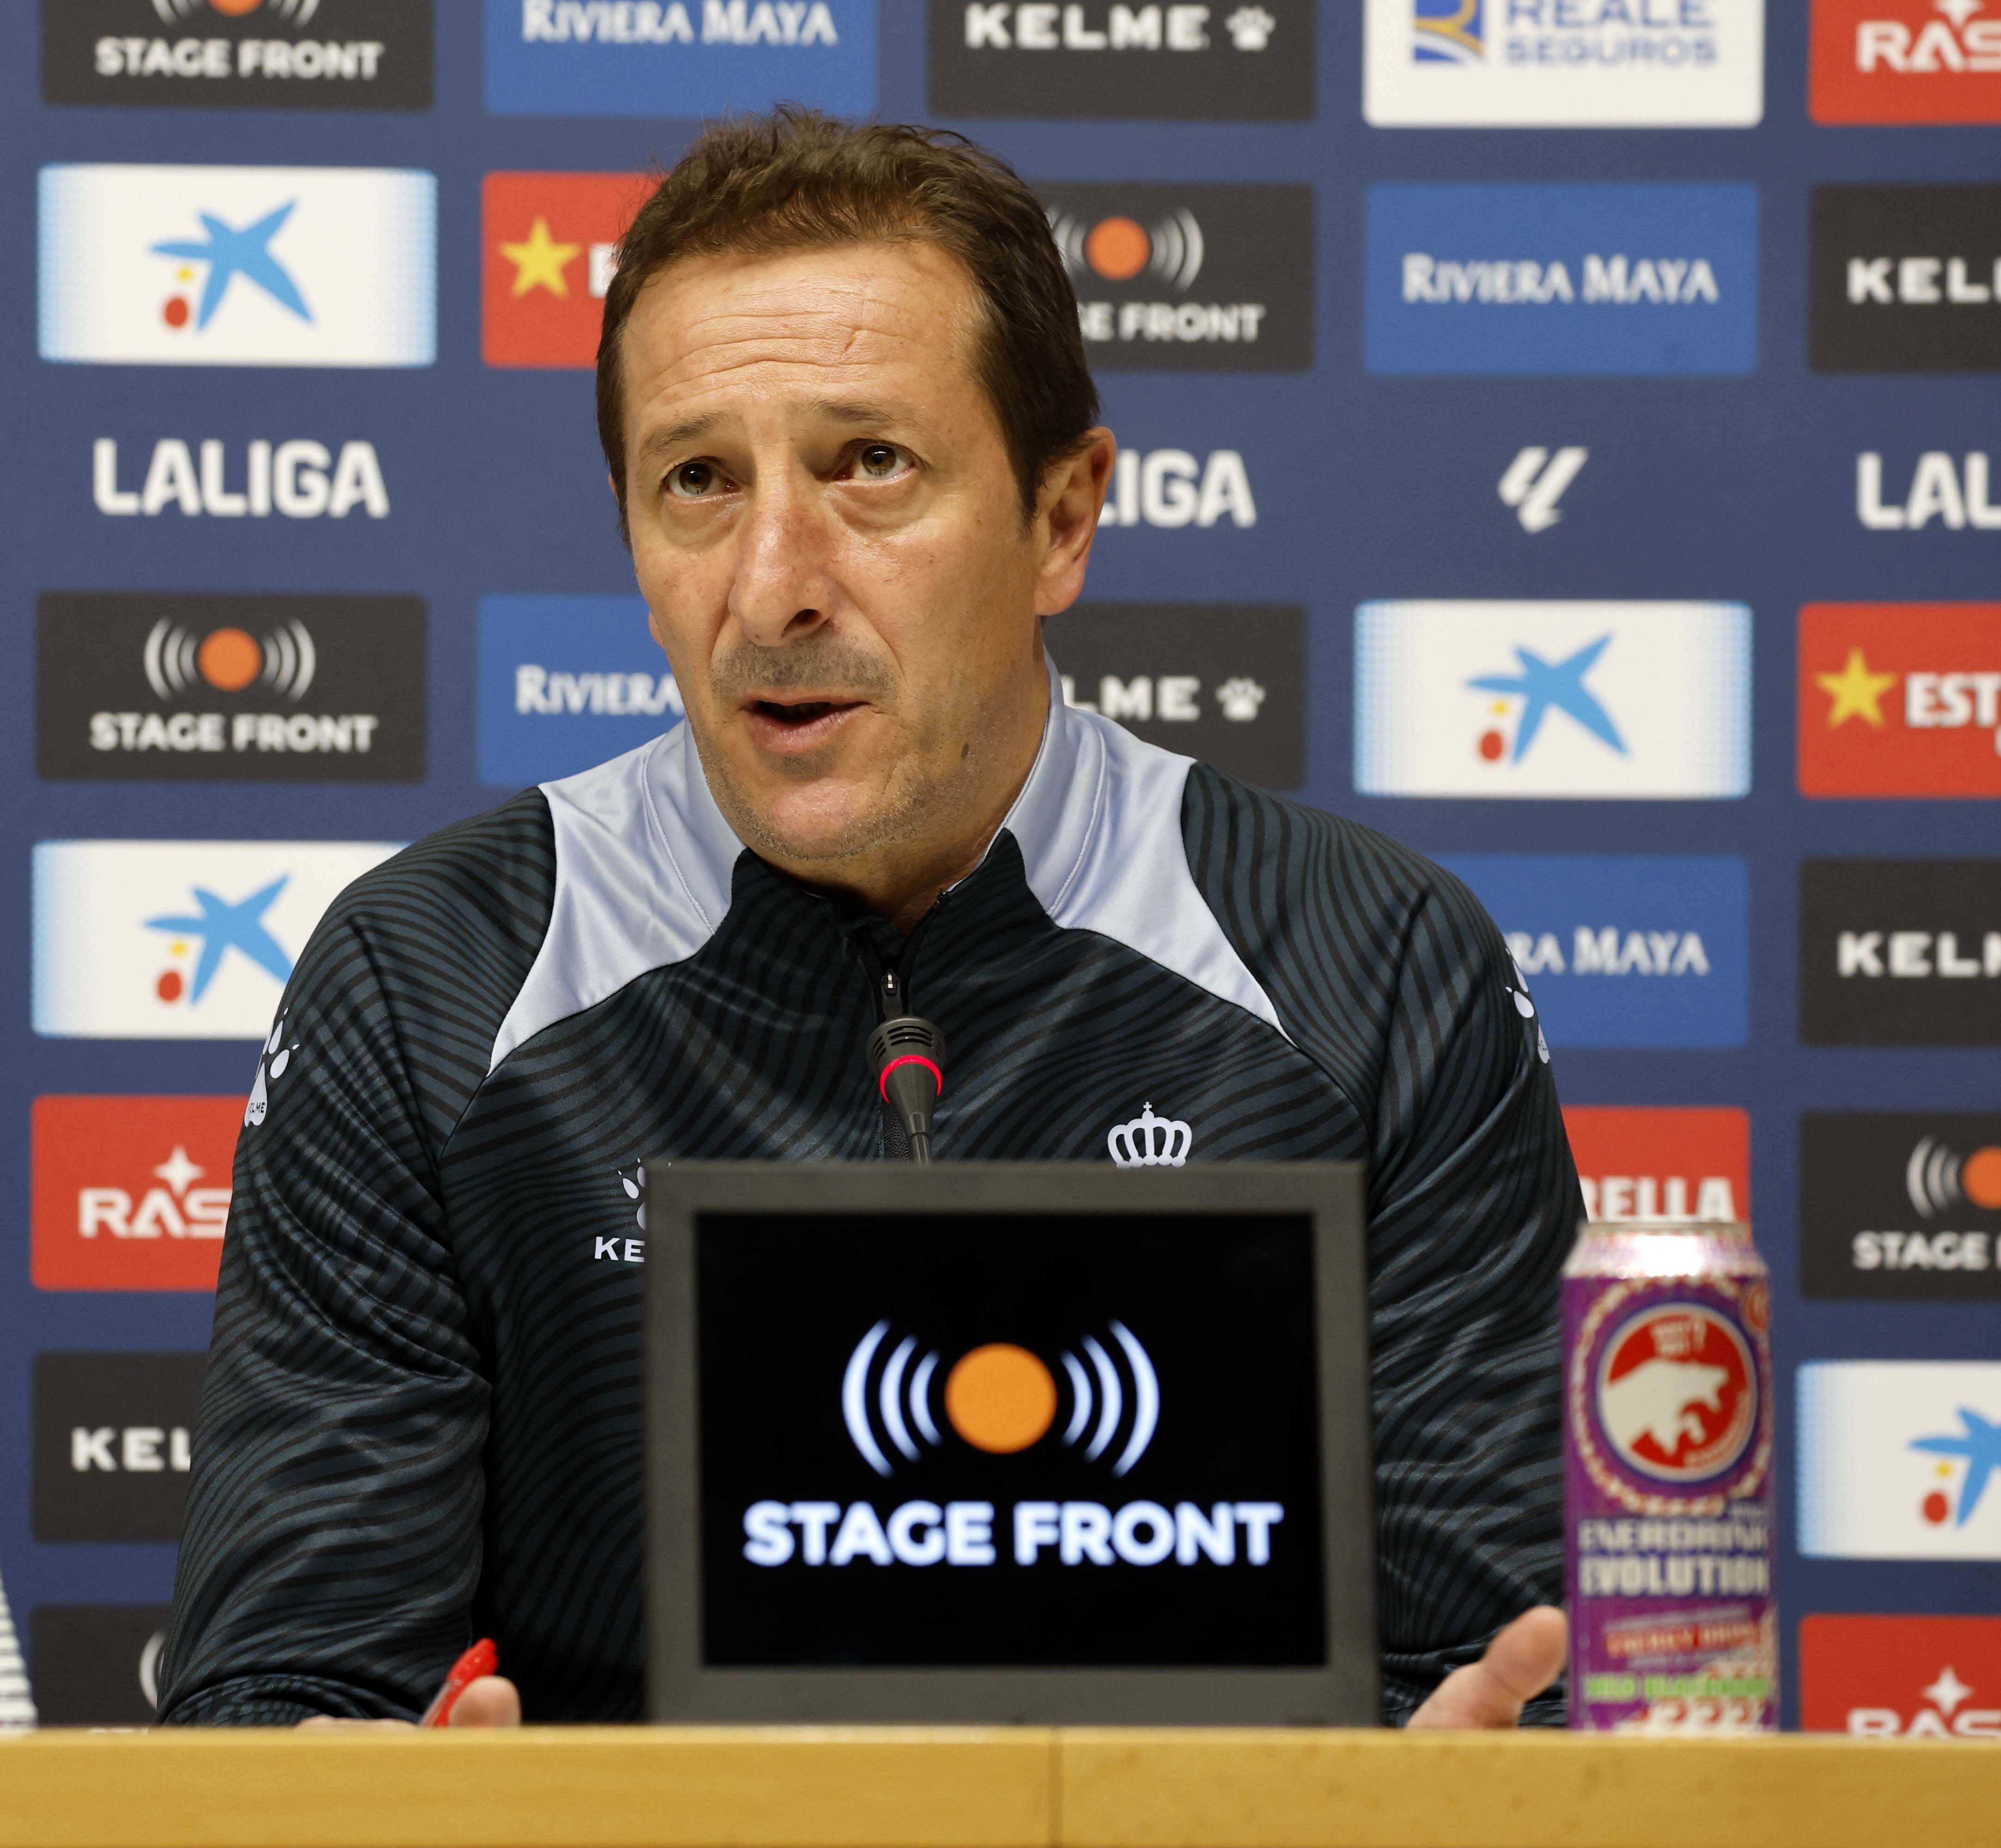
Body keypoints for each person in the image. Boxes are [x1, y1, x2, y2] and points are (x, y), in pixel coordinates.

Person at [162, 109, 1577, 1733]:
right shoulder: (432, 974)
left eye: (871, 466)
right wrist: (356, 1792)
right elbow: (284, 1688)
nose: (774, 585)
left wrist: (1455, 1796)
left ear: (1062, 518)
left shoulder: (1366, 962)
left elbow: (1506, 1677)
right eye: (699, 480)